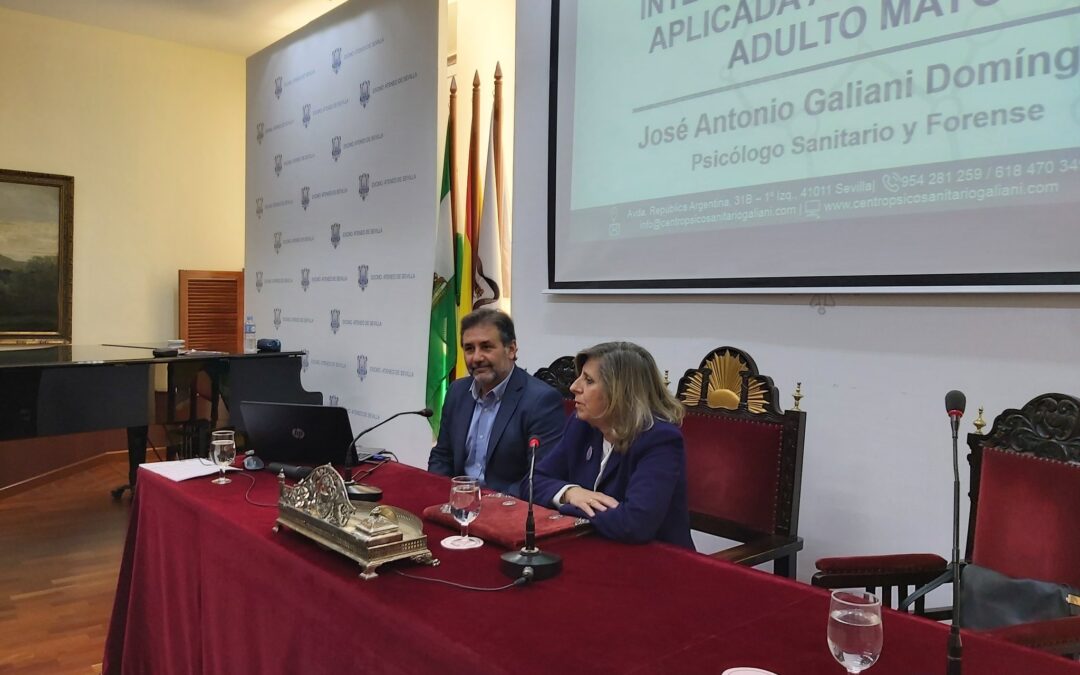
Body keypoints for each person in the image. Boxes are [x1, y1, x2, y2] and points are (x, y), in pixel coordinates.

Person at [532, 341, 694, 549]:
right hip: (596, 547)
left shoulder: (660, 439)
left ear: (620, 392)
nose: (574, 387)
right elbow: (534, 481)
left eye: (588, 380)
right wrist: (571, 493)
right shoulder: (582, 424)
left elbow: (635, 524)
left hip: (658, 559)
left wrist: (572, 505)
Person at [428, 308, 566, 496]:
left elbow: (540, 478)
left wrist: (488, 500)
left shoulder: (541, 401)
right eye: (469, 349)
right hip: (458, 503)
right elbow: (442, 456)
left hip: (507, 508)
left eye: (486, 347)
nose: (476, 358)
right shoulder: (457, 391)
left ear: (511, 349)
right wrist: (438, 492)